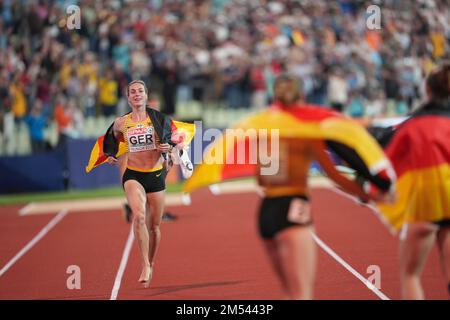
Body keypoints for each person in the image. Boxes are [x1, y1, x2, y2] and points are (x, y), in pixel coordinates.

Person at [255, 75, 378, 299]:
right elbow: (333, 174)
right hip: (295, 207)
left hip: (266, 212)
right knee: (302, 293)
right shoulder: (308, 130)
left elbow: (263, 179)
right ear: (302, 97)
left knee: (288, 292)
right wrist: (364, 193)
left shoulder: (266, 130)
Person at [376, 63, 450, 299]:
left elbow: (385, 161)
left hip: (425, 204)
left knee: (410, 274)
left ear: (428, 91)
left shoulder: (414, 125)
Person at [106, 80, 174, 287]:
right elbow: (110, 138)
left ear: (146, 95)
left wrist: (167, 148)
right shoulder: (121, 122)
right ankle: (144, 263)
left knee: (154, 226)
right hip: (133, 175)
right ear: (128, 98)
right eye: (132, 92)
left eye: (140, 91)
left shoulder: (159, 118)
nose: (137, 94)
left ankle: (151, 262)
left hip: (155, 176)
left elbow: (171, 143)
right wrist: (110, 153)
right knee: (139, 215)